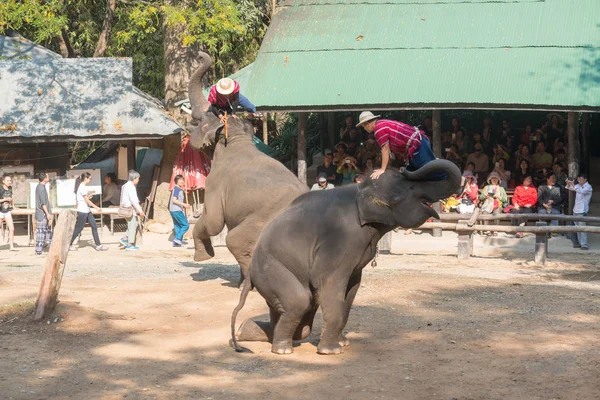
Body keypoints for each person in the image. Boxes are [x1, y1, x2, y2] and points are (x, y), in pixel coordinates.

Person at [357, 111, 437, 180]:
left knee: (429, 171)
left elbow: (385, 148)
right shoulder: (382, 123)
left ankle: (446, 190)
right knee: (416, 173)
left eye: (364, 126)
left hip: (417, 144)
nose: (364, 129)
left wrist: (382, 169)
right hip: (417, 143)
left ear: (368, 124)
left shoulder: (379, 130)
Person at [69, 172, 108, 252]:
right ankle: (69, 244)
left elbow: (85, 199)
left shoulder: (83, 187)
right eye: (90, 178)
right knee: (79, 228)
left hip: (87, 210)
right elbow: (87, 201)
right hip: (83, 211)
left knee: (94, 226)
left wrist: (88, 197)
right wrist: (96, 207)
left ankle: (98, 245)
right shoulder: (82, 187)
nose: (90, 180)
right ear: (85, 178)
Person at [119, 170, 145, 251]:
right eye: (138, 178)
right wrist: (140, 210)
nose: (138, 180)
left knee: (132, 225)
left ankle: (125, 238)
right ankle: (129, 244)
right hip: (130, 209)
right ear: (134, 178)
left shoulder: (125, 186)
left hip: (125, 208)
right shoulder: (131, 187)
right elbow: (133, 200)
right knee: (133, 226)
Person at [566, 173, 593, 250]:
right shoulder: (578, 186)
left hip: (582, 210)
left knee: (582, 228)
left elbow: (581, 191)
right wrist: (568, 183)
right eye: (578, 179)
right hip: (576, 210)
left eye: (580, 179)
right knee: (578, 228)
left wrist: (573, 184)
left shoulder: (588, 187)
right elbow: (569, 188)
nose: (579, 181)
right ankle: (581, 244)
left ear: (585, 180)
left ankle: (584, 244)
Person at [169, 174, 191, 247]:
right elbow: (174, 200)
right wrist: (184, 205)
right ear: (176, 181)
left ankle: (176, 242)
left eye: (182, 180)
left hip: (173, 210)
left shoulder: (178, 189)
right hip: (176, 210)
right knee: (185, 225)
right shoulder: (177, 189)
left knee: (178, 226)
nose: (181, 181)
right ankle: (177, 238)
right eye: (179, 180)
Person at [34, 172, 53, 255]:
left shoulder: (41, 187)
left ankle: (50, 247)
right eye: (47, 176)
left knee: (47, 231)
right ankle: (38, 250)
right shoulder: (41, 188)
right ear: (44, 178)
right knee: (41, 232)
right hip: (42, 213)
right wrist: (47, 213)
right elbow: (43, 203)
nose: (49, 178)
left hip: (44, 213)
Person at [0, 175, 16, 251]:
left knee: (12, 228)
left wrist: (13, 206)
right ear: (3, 181)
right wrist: (5, 199)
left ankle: (11, 246)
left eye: (10, 180)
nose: (9, 182)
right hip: (0, 211)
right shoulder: (0, 189)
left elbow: (11, 198)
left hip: (7, 211)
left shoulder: (10, 188)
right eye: (8, 180)